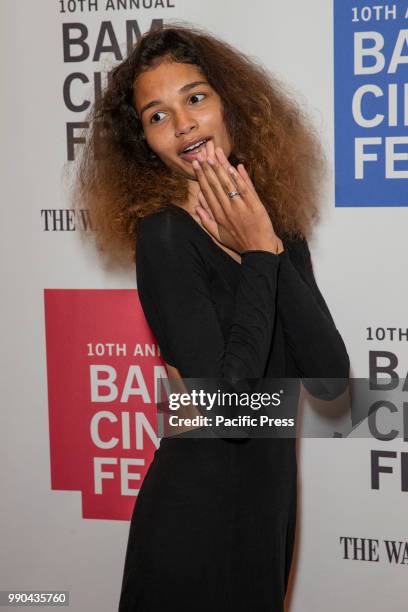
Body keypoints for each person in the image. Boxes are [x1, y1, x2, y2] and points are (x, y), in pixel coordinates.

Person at [72, 22, 350, 612]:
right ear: (144, 142)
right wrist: (255, 256)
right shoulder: (166, 235)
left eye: (195, 98)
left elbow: (329, 379)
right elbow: (228, 410)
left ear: (229, 103)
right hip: (194, 520)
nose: (184, 124)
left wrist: (266, 245)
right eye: (157, 115)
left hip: (268, 509)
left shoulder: (274, 226)